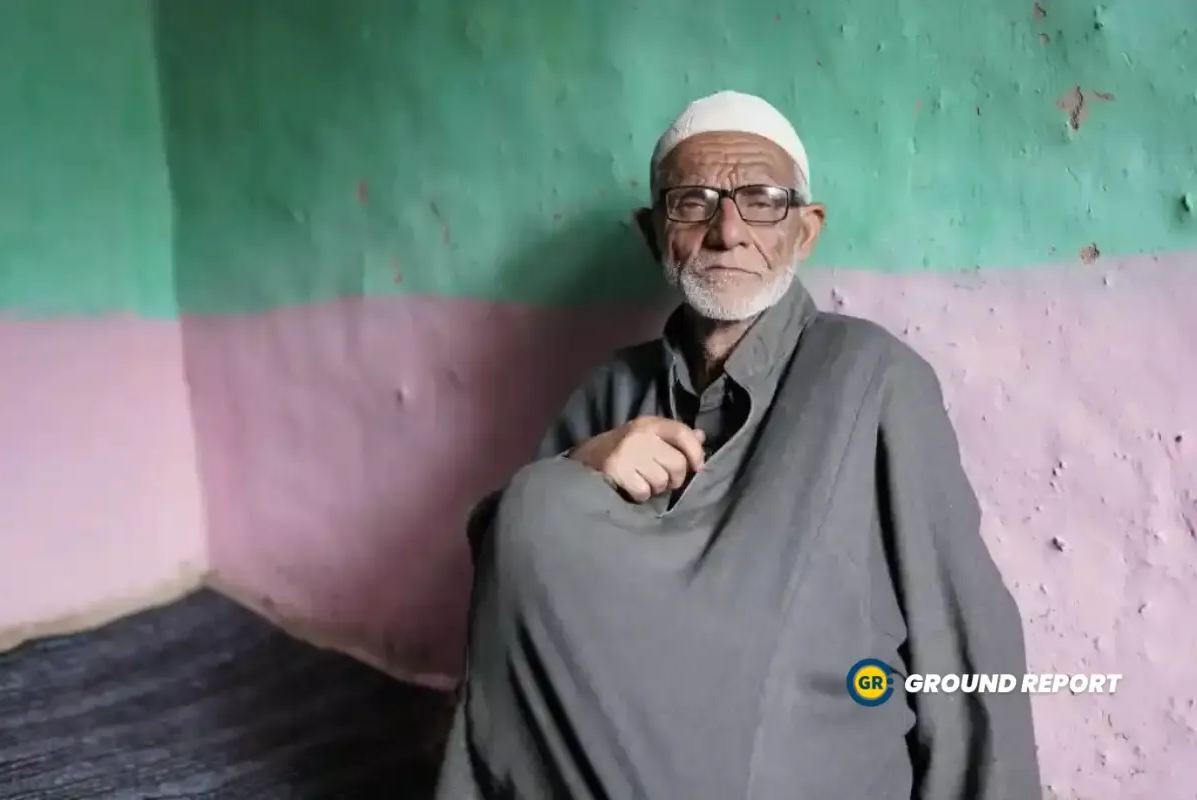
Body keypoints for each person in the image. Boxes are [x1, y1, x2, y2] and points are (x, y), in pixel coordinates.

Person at [434, 90, 1042, 800]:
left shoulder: (871, 377)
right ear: (652, 230)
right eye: (693, 201)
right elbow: (510, 581)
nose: (728, 231)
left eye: (762, 199)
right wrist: (579, 468)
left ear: (805, 230)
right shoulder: (610, 392)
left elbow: (961, 634)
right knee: (542, 501)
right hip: (603, 765)